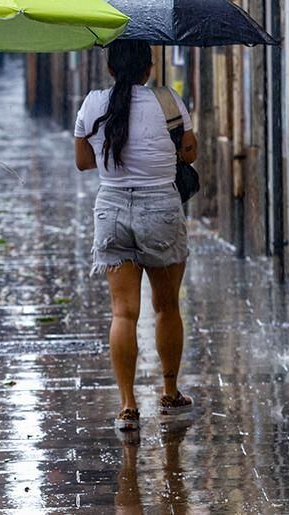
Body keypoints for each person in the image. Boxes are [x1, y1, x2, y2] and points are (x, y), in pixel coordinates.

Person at [73, 40, 198, 430]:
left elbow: (82, 162)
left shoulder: (93, 104)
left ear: (111, 69)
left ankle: (127, 405)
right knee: (166, 307)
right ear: (149, 66)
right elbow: (190, 152)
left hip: (111, 211)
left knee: (123, 312)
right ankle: (170, 392)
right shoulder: (168, 103)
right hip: (161, 208)